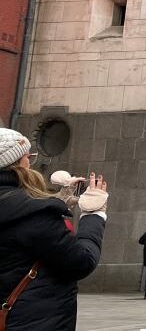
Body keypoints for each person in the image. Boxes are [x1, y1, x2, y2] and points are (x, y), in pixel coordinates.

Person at [0, 128, 107, 331]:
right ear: (16, 164)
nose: (30, 162)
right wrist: (94, 215)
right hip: (33, 320)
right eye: (27, 157)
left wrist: (56, 202)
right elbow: (81, 262)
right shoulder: (33, 215)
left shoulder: (28, 211)